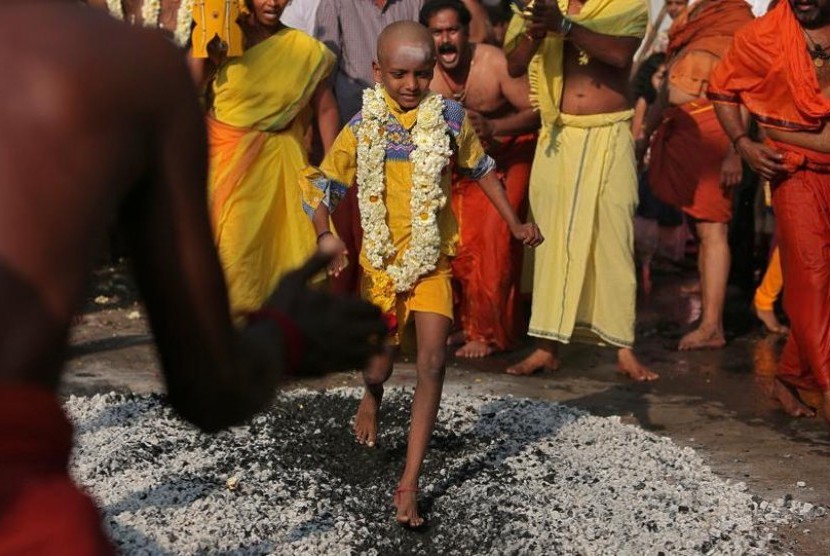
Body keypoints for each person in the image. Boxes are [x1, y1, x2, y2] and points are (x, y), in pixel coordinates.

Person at [0, 1, 387, 552]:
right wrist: (288, 335)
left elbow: (321, 114)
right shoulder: (126, 65)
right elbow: (210, 390)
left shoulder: (145, 64)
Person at [301, 21, 542, 527]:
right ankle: (372, 392)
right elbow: (324, 184)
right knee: (381, 365)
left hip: (432, 266)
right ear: (376, 72)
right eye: (399, 74)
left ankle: (409, 482)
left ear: (434, 71)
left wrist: (515, 222)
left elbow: (480, 169)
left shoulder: (450, 118)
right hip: (382, 272)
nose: (411, 85)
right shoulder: (363, 125)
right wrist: (326, 233)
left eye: (422, 73)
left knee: (433, 364)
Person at [503, 0, 657, 381]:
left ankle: (624, 348)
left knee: (614, 238)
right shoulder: (541, 4)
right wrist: (536, 32)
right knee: (551, 242)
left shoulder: (628, 3)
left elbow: (621, 55)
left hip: (610, 132)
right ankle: (545, 347)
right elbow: (515, 65)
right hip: (558, 135)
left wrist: (566, 27)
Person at [707, 0, 830, 422]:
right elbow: (722, 87)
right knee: (811, 278)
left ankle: (792, 375)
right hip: (794, 172)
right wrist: (741, 143)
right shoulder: (764, 35)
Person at [192, 0, 340, 316]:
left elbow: (325, 107)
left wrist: (331, 163)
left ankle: (275, 343)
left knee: (285, 257)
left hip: (284, 164)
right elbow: (190, 87)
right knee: (234, 254)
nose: (272, 2)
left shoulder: (304, 50)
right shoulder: (226, 38)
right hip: (229, 166)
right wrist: (203, 41)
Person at [422, 0, 539, 357]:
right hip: (458, 168)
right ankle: (463, 324)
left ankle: (487, 332)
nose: (445, 40)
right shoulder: (423, 73)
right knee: (454, 244)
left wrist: (494, 126)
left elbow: (537, 113)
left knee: (493, 239)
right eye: (437, 33)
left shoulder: (493, 62)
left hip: (509, 155)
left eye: (452, 31)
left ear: (465, 32)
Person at [645, 0, 754, 350]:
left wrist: (734, 152)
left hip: (715, 134)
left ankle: (712, 326)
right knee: (700, 228)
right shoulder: (695, 19)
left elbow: (743, 93)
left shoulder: (735, 17)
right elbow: (666, 90)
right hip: (683, 132)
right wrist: (644, 136)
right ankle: (710, 318)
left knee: (713, 229)